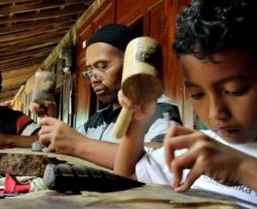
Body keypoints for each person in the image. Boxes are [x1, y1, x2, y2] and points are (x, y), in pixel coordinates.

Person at [114, 0, 257, 209]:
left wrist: (242, 169)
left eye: (235, 91)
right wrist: (139, 120)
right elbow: (127, 176)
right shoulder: (198, 149)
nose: (215, 113)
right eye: (197, 94)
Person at [33, 24, 182, 169]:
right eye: (90, 71)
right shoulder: (99, 119)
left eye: (102, 67)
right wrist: (50, 119)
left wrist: (79, 145)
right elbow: (65, 140)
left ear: (130, 64)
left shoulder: (158, 109)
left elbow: (163, 158)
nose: (94, 78)